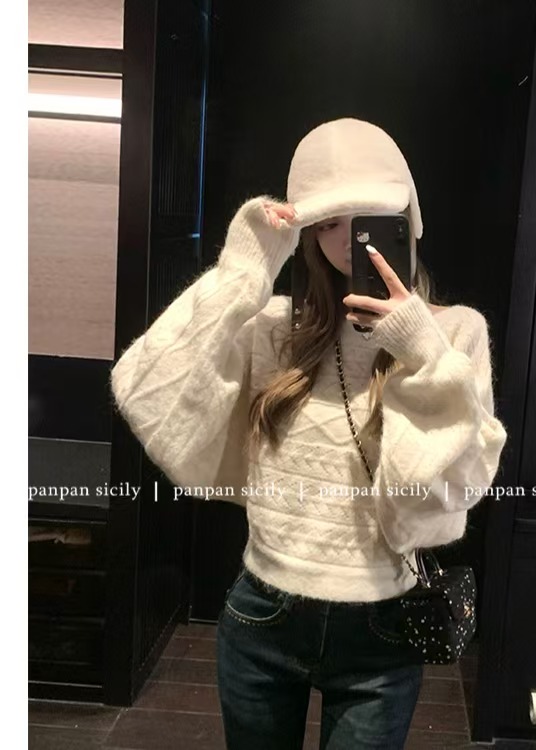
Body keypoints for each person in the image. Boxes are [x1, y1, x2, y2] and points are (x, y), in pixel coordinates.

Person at [109, 117, 508, 749]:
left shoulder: (456, 333)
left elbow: (449, 484)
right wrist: (244, 272)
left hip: (382, 627)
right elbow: (146, 389)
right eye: (326, 223)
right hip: (264, 614)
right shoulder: (276, 329)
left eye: (366, 217)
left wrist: (421, 351)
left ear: (405, 216)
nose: (347, 240)